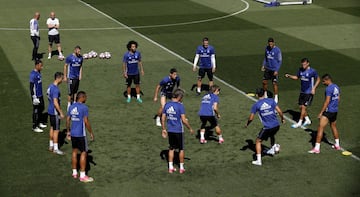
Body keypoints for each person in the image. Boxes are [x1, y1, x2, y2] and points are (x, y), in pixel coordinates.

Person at [245, 88, 285, 166]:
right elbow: (279, 111)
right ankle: (272, 149)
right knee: (272, 135)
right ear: (264, 94)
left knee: (258, 141)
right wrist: (282, 119)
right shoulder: (271, 101)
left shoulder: (256, 105)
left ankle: (259, 160)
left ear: (257, 95)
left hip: (267, 127)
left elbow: (251, 118)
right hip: (276, 125)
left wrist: (247, 124)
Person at [161, 89, 194, 174]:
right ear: (179, 97)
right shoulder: (180, 106)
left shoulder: (167, 105)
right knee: (181, 149)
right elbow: (183, 120)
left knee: (171, 148)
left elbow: (163, 118)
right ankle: (181, 168)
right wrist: (190, 128)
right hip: (179, 130)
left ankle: (170, 167)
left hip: (170, 130)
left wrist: (164, 129)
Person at [66, 91, 95, 182]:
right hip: (81, 134)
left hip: (73, 134)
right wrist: (90, 132)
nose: (86, 99)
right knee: (83, 152)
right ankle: (82, 175)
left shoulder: (71, 107)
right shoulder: (84, 108)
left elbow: (68, 120)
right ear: (81, 98)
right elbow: (86, 121)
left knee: (74, 152)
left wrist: (68, 131)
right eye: (85, 97)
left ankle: (74, 172)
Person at [308, 74, 341, 154]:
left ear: (327, 80)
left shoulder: (328, 89)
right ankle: (337, 145)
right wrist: (334, 106)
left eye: (323, 81)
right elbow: (338, 99)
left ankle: (317, 148)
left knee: (320, 128)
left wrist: (321, 113)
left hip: (328, 111)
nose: (323, 83)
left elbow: (326, 102)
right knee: (333, 126)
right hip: (335, 111)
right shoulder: (336, 86)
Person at [285, 58, 320, 128]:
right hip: (302, 91)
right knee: (301, 107)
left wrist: (314, 88)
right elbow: (297, 77)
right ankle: (307, 120)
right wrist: (289, 76)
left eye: (304, 64)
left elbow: (318, 79)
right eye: (302, 64)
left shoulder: (312, 71)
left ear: (308, 63)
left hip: (309, 92)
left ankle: (299, 122)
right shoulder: (300, 70)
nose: (303, 66)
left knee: (303, 107)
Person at [47, 72, 65, 155]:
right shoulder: (55, 89)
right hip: (55, 112)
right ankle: (56, 148)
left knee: (52, 127)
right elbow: (55, 102)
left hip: (50, 110)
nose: (62, 80)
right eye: (62, 78)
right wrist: (60, 112)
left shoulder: (50, 87)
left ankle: (51, 145)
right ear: (58, 78)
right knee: (56, 130)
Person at [261, 37, 282, 103]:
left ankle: (276, 97)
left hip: (274, 69)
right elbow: (265, 58)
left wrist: (276, 70)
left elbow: (280, 61)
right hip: (267, 68)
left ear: (273, 43)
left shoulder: (277, 50)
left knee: (274, 83)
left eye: (271, 44)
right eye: (269, 44)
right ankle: (265, 94)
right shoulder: (266, 48)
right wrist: (263, 65)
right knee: (264, 82)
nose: (270, 45)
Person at [29, 59, 47, 132]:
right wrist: (34, 97)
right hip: (36, 96)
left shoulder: (38, 72)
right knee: (36, 110)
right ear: (36, 65)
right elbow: (31, 86)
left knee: (42, 108)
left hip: (40, 94)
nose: (42, 67)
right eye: (40, 66)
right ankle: (34, 126)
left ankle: (39, 122)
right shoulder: (33, 74)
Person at [64, 45, 83, 110]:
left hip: (77, 77)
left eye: (80, 51)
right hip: (70, 77)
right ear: (75, 50)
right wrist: (65, 76)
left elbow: (80, 66)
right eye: (78, 51)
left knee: (75, 91)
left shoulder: (81, 58)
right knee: (70, 92)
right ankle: (69, 104)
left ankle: (74, 102)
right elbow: (65, 66)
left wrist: (80, 75)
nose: (79, 52)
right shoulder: (69, 57)